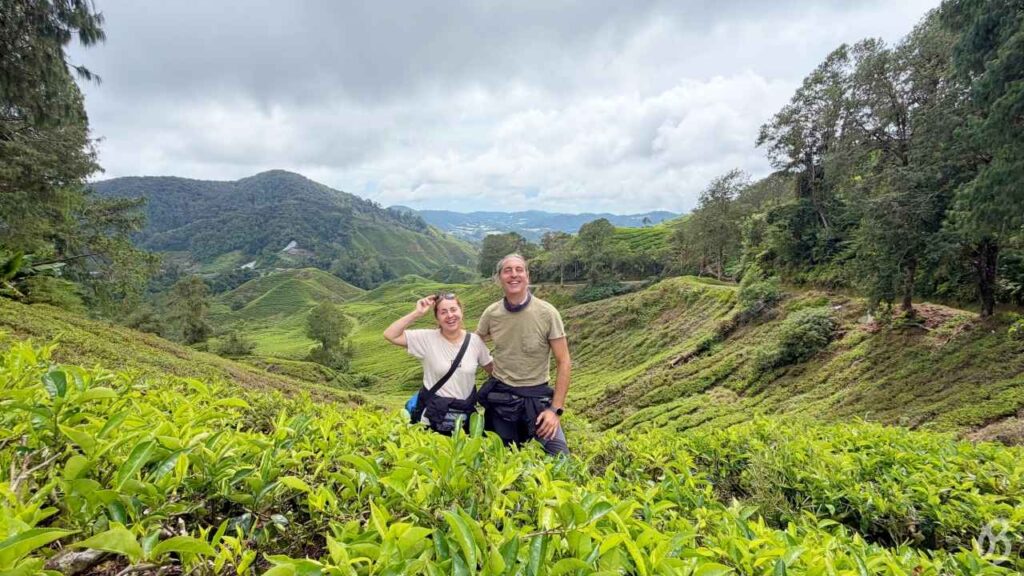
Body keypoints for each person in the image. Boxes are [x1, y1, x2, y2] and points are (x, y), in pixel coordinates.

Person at [476, 253, 571, 455]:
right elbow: (475, 344)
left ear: (527, 276)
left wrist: (555, 411)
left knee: (560, 458)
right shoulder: (492, 313)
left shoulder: (547, 313)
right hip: (501, 400)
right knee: (499, 462)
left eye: (519, 270)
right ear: (499, 278)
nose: (513, 275)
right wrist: (491, 368)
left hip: (536, 401)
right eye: (507, 270)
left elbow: (564, 362)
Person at [384, 293, 493, 434]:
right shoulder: (426, 338)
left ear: (461, 311)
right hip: (432, 419)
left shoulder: (475, 341)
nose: (450, 315)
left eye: (453, 309)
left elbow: (493, 370)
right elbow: (390, 334)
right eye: (443, 312)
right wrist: (417, 313)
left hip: (464, 419)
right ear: (437, 317)